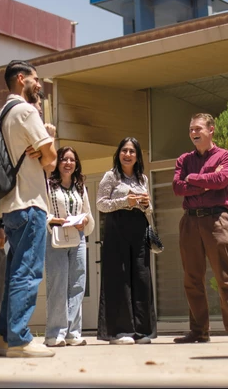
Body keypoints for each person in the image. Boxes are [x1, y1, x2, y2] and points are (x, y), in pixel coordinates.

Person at [0, 60, 58, 358]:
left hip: (10, 205)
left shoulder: (2, 113)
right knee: (27, 273)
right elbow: (51, 159)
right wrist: (47, 141)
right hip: (30, 203)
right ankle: (19, 339)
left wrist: (41, 150)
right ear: (21, 79)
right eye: (36, 79)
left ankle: (4, 337)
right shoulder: (26, 111)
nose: (39, 85)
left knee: (13, 274)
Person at [173, 114, 228, 344]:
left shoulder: (226, 156)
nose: (193, 133)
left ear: (211, 130)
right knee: (192, 278)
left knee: (225, 276)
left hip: (217, 221)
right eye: (191, 129)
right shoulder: (183, 159)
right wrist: (205, 183)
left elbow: (222, 180)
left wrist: (193, 179)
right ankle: (199, 331)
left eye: (198, 129)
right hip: (189, 221)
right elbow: (177, 187)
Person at [96, 137, 157, 345]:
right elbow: (101, 204)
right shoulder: (111, 176)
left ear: (137, 156)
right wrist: (125, 201)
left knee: (141, 277)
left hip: (139, 231)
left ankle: (142, 331)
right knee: (119, 278)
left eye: (132, 151)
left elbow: (149, 210)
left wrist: (146, 204)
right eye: (124, 150)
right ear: (118, 154)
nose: (128, 154)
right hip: (116, 231)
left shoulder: (143, 178)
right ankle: (120, 332)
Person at [44, 146, 95, 347]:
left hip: (78, 238)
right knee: (57, 285)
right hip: (55, 237)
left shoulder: (80, 186)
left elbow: (87, 212)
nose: (68, 163)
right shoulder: (49, 185)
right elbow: (43, 212)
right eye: (64, 159)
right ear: (57, 162)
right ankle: (54, 334)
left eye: (72, 160)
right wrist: (55, 220)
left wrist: (84, 221)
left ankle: (72, 333)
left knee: (78, 285)